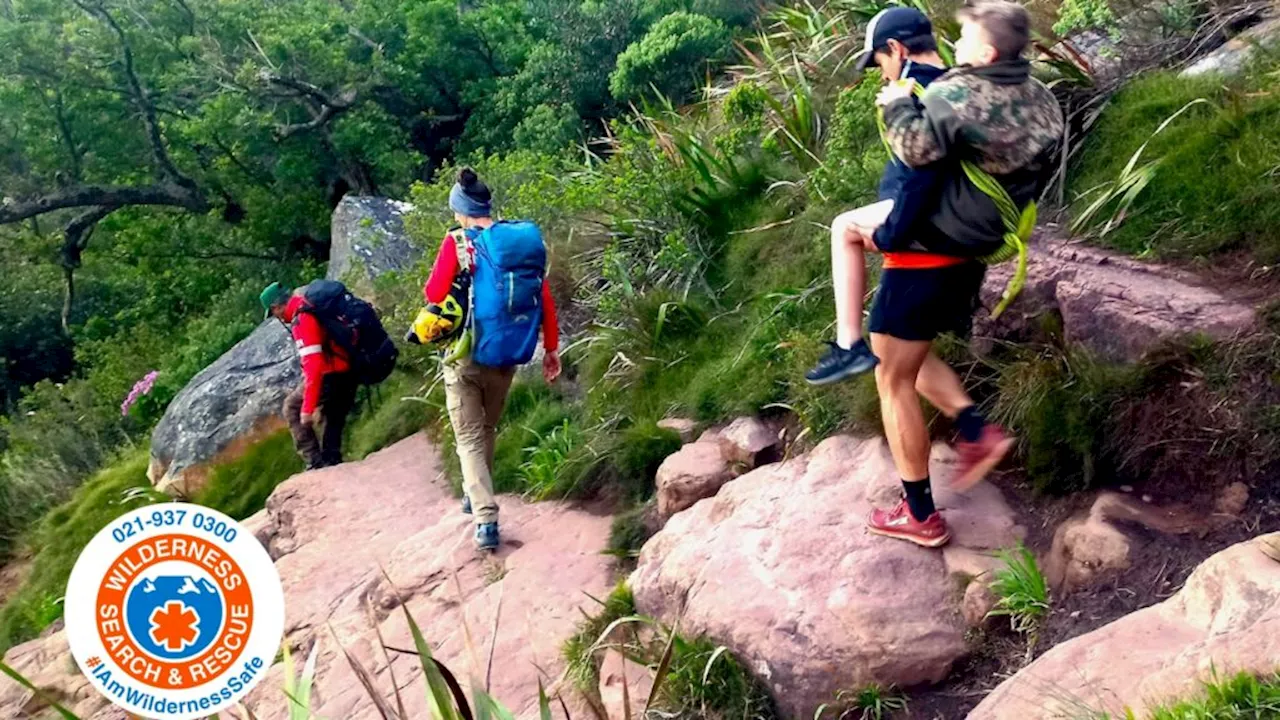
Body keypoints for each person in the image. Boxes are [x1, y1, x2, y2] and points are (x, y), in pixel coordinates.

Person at [857, 0, 1065, 547]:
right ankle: (977, 432)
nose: (957, 48)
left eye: (966, 39)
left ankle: (919, 515)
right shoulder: (1041, 96)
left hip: (933, 246)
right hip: (984, 241)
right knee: (906, 352)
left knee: (891, 376)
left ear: (989, 52)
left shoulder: (955, 94)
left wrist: (899, 103)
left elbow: (916, 153)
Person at [806, 6, 951, 386]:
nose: (881, 72)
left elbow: (923, 171)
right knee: (901, 362)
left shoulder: (911, 91)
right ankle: (969, 422)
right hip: (953, 210)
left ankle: (848, 343)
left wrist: (894, 231)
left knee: (842, 228)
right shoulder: (954, 83)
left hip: (927, 211)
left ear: (896, 48)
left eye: (880, 60)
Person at [423, 168, 562, 550]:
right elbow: (544, 299)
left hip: (467, 354)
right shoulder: (518, 244)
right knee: (486, 428)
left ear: (461, 209)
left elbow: (433, 293)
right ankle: (474, 492)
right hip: (509, 353)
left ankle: (485, 519)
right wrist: (551, 349)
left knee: (467, 435)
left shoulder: (458, 243)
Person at [261, 282, 360, 471]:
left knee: (292, 407)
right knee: (331, 420)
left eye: (273, 312)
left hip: (332, 374)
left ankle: (315, 463)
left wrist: (307, 408)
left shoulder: (302, 320)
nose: (276, 316)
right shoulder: (309, 304)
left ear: (276, 307)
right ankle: (330, 461)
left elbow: (314, 367)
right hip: (346, 368)